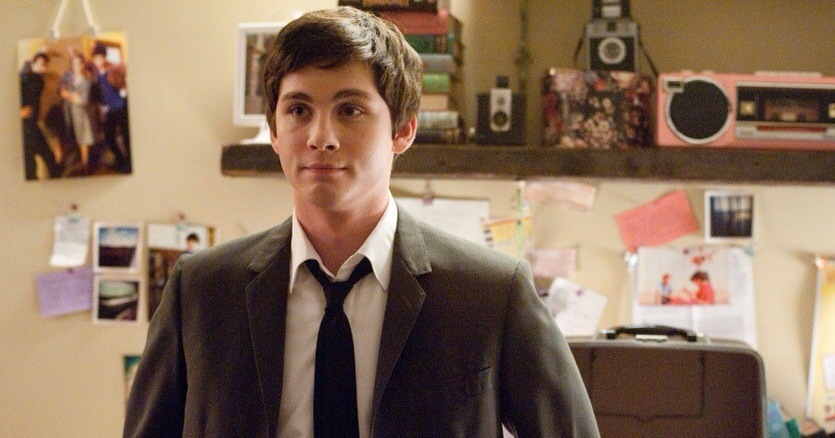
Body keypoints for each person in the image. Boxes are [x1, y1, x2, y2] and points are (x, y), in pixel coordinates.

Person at [124, 7, 599, 437]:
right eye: (298, 110)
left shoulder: (490, 293)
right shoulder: (201, 291)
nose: (320, 137)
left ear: (403, 129)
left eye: (349, 110)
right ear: (274, 131)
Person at [91, 43, 131, 173]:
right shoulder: (96, 76)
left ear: (104, 57)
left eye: (100, 57)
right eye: (96, 58)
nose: (98, 60)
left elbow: (125, 72)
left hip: (122, 107)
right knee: (108, 137)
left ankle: (129, 163)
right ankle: (120, 160)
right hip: (110, 111)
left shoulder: (113, 69)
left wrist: (125, 90)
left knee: (126, 136)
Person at [20, 52, 57, 179]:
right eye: (40, 64)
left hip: (33, 124)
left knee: (48, 157)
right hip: (23, 127)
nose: (43, 67)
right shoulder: (23, 78)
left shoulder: (39, 80)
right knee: (30, 164)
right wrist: (18, 112)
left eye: (45, 65)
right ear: (33, 64)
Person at [60, 50, 96, 172]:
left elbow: (82, 100)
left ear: (83, 64)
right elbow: (61, 90)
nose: (77, 66)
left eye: (80, 63)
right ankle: (78, 162)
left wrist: (68, 95)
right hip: (69, 112)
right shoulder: (68, 77)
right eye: (75, 64)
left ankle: (85, 165)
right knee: (73, 136)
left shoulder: (87, 81)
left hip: (81, 114)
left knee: (83, 138)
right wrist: (73, 95)